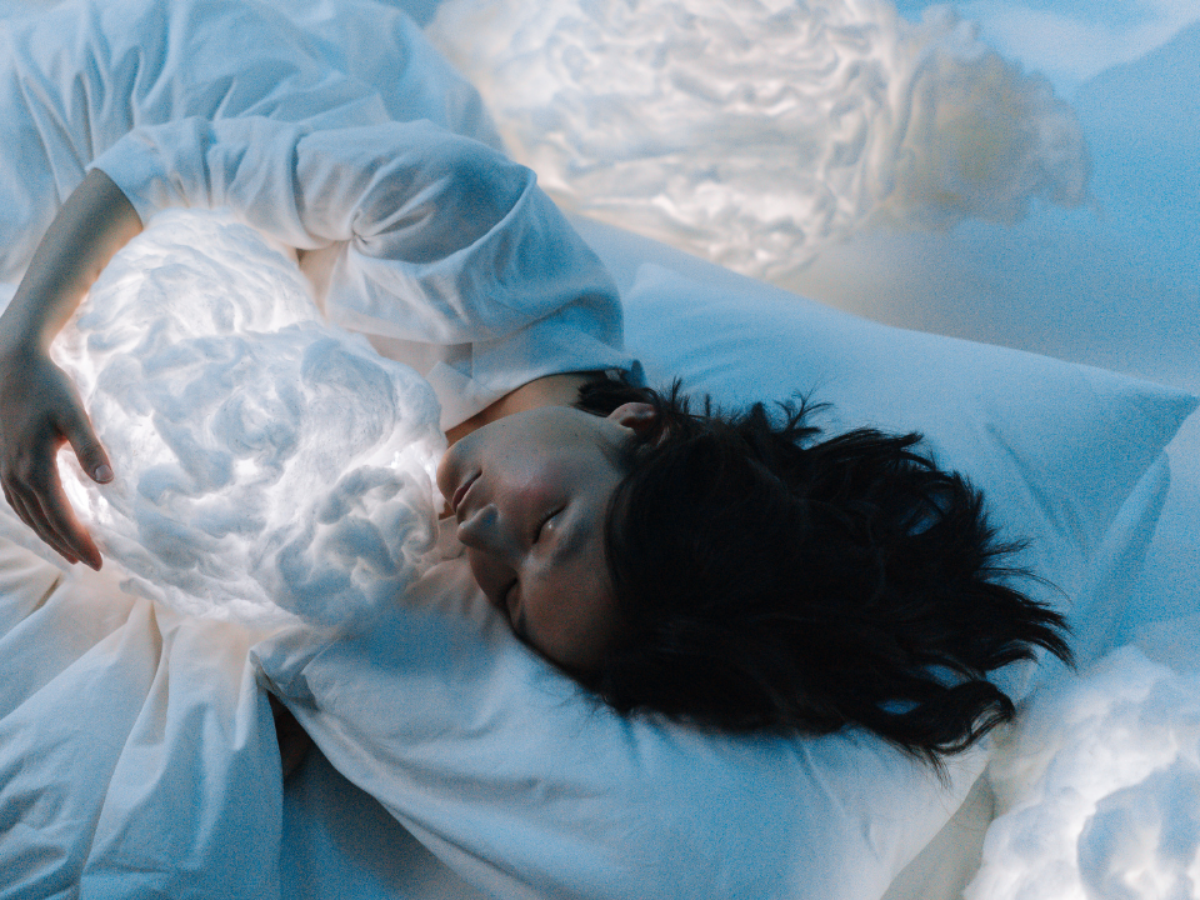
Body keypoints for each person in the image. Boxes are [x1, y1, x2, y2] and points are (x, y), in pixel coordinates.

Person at [0, 0, 1070, 767]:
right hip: (133, 99)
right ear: (640, 424)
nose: (480, 540)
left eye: (508, 599)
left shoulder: (493, 494)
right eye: (546, 526)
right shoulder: (476, 229)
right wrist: (25, 343)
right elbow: (167, 161)